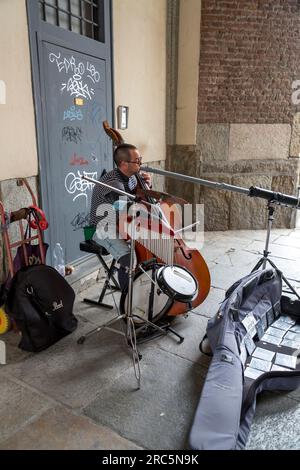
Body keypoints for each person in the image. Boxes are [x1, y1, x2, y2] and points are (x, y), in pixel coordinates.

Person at [89, 143, 151, 289]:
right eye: (137, 161)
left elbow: (138, 200)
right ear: (123, 164)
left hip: (121, 224)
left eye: (140, 159)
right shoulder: (113, 183)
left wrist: (147, 185)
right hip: (102, 228)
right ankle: (128, 295)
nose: (140, 164)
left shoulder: (132, 177)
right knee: (130, 259)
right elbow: (130, 209)